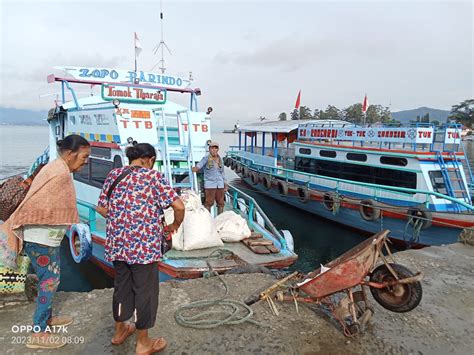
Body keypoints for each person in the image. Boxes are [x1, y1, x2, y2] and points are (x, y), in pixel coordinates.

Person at [0, 134, 91, 349]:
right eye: (84, 156)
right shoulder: (59, 174)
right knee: (49, 282)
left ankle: (47, 319)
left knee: (51, 278)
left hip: (46, 238)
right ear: (70, 154)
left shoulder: (57, 168)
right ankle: (37, 333)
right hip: (40, 239)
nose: (86, 161)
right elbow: (37, 207)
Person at [97, 143, 185, 355]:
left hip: (118, 245)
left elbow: (101, 208)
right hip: (144, 248)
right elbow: (179, 206)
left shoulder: (114, 175)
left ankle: (119, 333)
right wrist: (174, 225)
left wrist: (123, 219)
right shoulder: (152, 177)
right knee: (145, 292)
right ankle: (143, 343)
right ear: (149, 159)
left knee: (122, 287)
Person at [191, 141, 228, 214]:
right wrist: (195, 168)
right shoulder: (205, 159)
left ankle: (219, 220)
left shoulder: (221, 160)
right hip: (210, 185)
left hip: (220, 185)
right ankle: (208, 220)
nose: (214, 150)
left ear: (218, 149)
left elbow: (222, 173)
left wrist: (225, 184)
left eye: (215, 148)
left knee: (221, 203)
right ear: (209, 149)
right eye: (212, 148)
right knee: (208, 203)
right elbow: (199, 165)